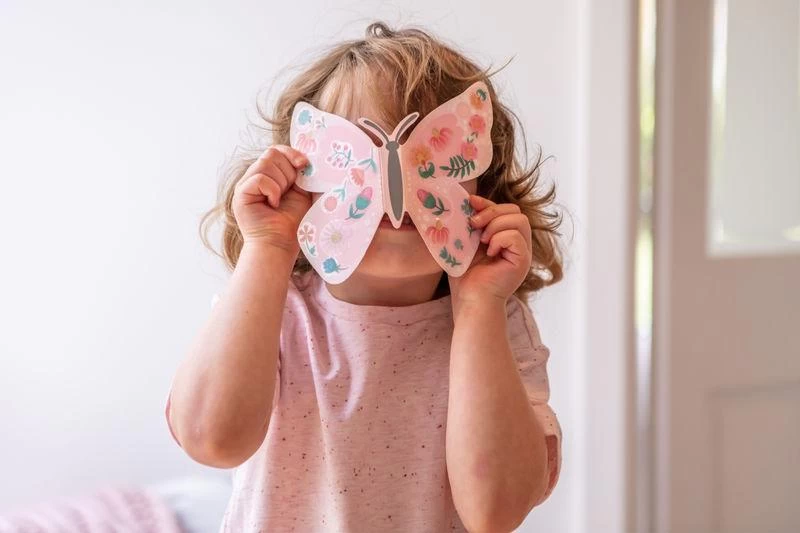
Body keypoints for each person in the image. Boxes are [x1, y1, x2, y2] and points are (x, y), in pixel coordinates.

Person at [165, 21, 564, 533]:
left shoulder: (498, 325)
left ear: (483, 187)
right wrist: (267, 248)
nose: (395, 188)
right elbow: (210, 438)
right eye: (359, 155)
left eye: (430, 153)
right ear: (300, 179)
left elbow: (496, 511)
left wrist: (479, 308)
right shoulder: (272, 310)